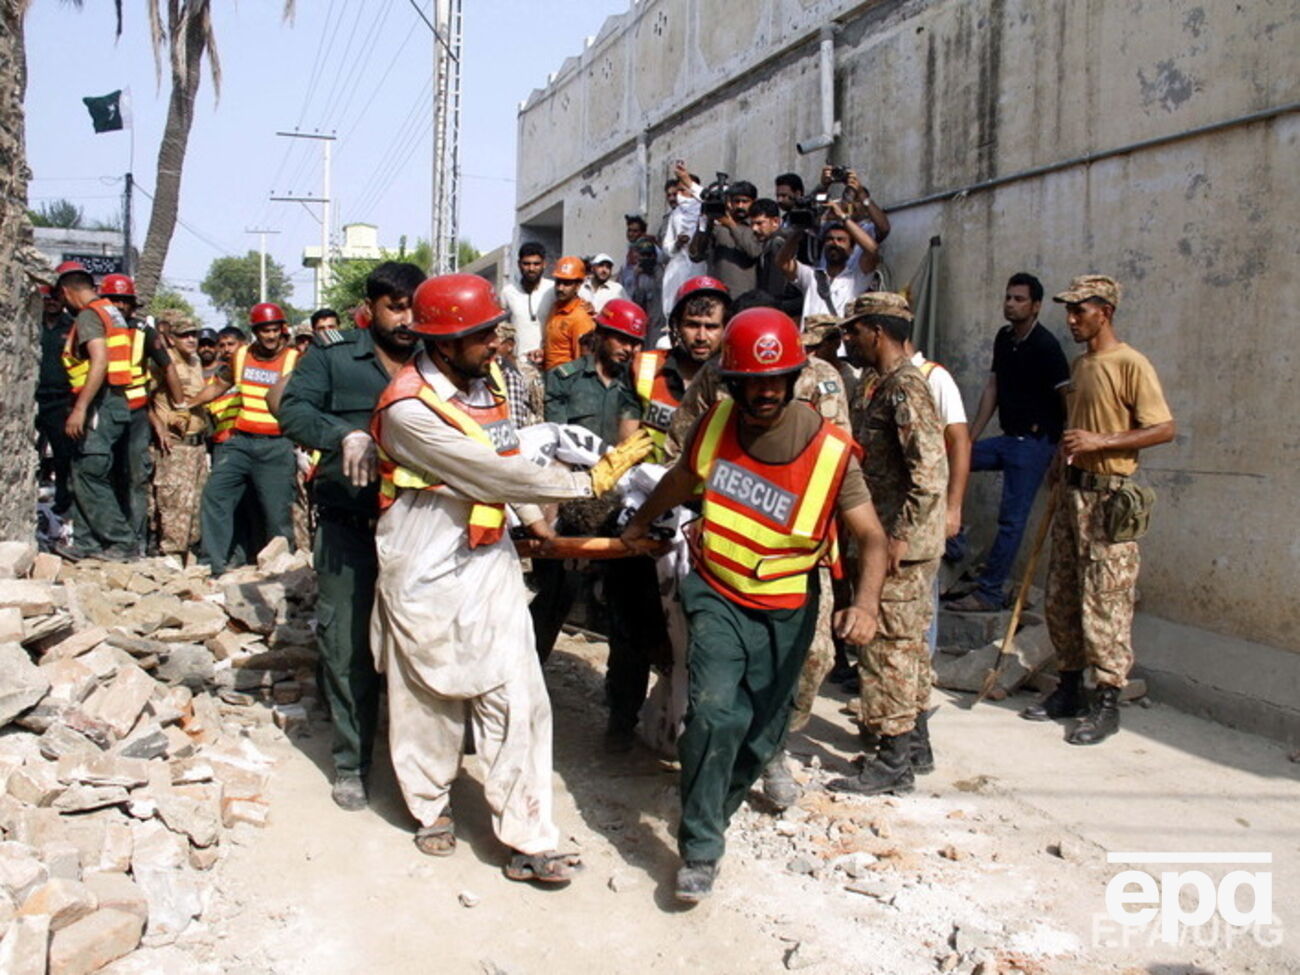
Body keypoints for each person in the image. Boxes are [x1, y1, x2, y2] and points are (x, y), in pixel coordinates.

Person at [368, 272, 652, 882]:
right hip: (423, 555)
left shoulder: (489, 380)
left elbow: (504, 455)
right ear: (445, 343)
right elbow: (490, 472)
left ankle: (529, 834)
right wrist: (588, 481)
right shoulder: (408, 408)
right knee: (428, 692)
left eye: (496, 331)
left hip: (486, 552)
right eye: (483, 335)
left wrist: (535, 522)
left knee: (517, 691)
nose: (497, 344)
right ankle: (431, 805)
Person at [620, 307, 888, 902]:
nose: (764, 393)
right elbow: (682, 479)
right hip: (717, 593)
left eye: (776, 381)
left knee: (762, 733)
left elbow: (871, 537)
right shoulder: (714, 423)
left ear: (793, 379)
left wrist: (866, 605)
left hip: (787, 608)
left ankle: (714, 804)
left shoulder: (831, 452)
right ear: (732, 383)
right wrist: (639, 522)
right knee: (714, 713)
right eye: (751, 383)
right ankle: (700, 847)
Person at [278, 261, 425, 809]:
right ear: (371, 309)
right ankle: (351, 763)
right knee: (347, 647)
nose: (406, 319)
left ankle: (424, 772)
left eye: (414, 308)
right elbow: (292, 409)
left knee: (422, 648)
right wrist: (344, 434)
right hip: (350, 529)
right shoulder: (334, 356)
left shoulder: (437, 359)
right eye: (395, 308)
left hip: (420, 532)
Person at [1021, 275, 1174, 745]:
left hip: (1109, 500)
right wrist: (1061, 457)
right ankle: (1069, 687)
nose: (1070, 320)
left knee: (1107, 601)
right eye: (1068, 311)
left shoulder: (1131, 363)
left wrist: (1100, 442)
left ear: (1104, 312)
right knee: (1063, 594)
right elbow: (1078, 425)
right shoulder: (1081, 365)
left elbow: (1163, 428)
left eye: (1079, 311)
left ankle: (1107, 700)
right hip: (1072, 494)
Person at [829, 292, 948, 797]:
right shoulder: (877, 384)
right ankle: (915, 746)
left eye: (853, 331)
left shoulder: (905, 388)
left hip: (900, 547)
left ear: (876, 332)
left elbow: (930, 472)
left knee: (889, 649)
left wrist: (899, 535)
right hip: (889, 538)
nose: (847, 340)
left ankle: (892, 760)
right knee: (907, 646)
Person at [947, 273, 1071, 612]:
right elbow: (993, 388)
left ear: (1036, 306)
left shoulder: (1046, 346)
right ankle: (954, 546)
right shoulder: (1004, 338)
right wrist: (968, 440)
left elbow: (1067, 398)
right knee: (947, 465)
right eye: (1008, 297)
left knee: (1011, 520)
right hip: (1006, 439)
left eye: (1019, 299)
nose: (1011, 304)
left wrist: (1062, 448)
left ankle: (989, 591)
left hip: (1034, 444)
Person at [190, 302, 300, 574]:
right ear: (255, 332)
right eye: (265, 331)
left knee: (276, 512)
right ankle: (211, 563)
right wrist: (189, 403)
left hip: (276, 446)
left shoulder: (295, 359)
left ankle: (282, 571)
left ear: (282, 330)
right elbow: (219, 385)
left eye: (275, 330)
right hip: (239, 442)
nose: (271, 336)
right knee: (215, 495)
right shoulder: (240, 356)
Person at [54, 265, 149, 560]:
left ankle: (121, 541)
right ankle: (86, 543)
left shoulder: (89, 315)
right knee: (81, 470)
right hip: (113, 400)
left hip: (101, 402)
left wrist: (81, 408)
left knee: (90, 471)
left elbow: (99, 361)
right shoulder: (110, 311)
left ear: (67, 292)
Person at [99, 273, 183, 556]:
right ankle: (110, 537)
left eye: (125, 300)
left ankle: (135, 540)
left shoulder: (143, 332)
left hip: (135, 414)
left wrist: (180, 405)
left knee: (136, 476)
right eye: (114, 300)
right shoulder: (94, 327)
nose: (120, 306)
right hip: (104, 411)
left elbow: (167, 366)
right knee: (104, 472)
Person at [632, 275, 730, 462]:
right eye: (692, 325)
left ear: (726, 329)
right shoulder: (642, 366)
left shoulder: (735, 383)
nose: (701, 337)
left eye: (711, 327)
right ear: (676, 325)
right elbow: (624, 439)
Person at [148, 318, 211, 556]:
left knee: (195, 505)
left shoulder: (195, 361)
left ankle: (190, 553)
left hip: (197, 445)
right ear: (171, 339)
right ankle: (170, 554)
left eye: (194, 334)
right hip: (174, 446)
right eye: (184, 335)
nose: (191, 339)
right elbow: (142, 397)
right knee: (173, 503)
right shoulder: (163, 362)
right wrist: (159, 426)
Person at [778, 206, 879, 320]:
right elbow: (783, 262)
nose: (834, 243)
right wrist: (798, 231)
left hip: (840, 331)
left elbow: (872, 250)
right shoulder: (811, 275)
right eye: (829, 239)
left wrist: (843, 217)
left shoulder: (856, 277)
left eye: (841, 240)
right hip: (811, 331)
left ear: (851, 250)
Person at [35, 282, 75, 513]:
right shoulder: (32, 323)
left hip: (61, 399)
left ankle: (62, 502)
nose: (51, 302)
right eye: (47, 298)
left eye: (55, 298)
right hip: (33, 398)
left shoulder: (72, 327)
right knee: (32, 452)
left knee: (62, 455)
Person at [687, 177, 760, 297]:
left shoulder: (756, 227)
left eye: (745, 201)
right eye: (736, 201)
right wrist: (706, 223)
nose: (740, 205)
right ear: (730, 202)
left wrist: (731, 225)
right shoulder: (718, 228)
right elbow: (695, 255)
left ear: (754, 202)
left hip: (746, 296)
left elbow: (754, 251)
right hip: (718, 294)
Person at [500, 242, 555, 364]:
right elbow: (502, 330)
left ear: (544, 264)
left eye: (536, 264)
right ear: (519, 264)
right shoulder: (508, 292)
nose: (531, 269)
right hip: (519, 363)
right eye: (526, 264)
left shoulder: (553, 290)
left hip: (549, 362)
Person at [543, 255, 599, 371]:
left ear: (578, 286)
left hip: (566, 380)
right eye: (558, 282)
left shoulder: (580, 317)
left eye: (566, 283)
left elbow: (582, 363)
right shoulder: (555, 307)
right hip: (551, 377)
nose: (560, 288)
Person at [749, 199, 802, 318]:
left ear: (775, 221)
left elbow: (776, 284)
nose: (754, 229)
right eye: (752, 224)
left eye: (759, 223)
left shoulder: (777, 243)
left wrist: (770, 307)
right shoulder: (769, 241)